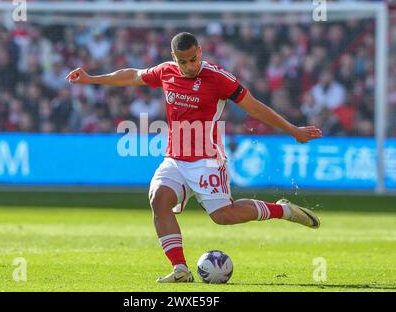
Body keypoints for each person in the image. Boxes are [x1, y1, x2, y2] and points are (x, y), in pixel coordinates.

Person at [66, 32, 322, 283]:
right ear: (173, 57)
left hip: (207, 159)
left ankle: (284, 210)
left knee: (223, 216)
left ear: (200, 51)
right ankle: (180, 269)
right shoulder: (166, 71)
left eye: (193, 59)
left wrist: (293, 130)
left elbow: (253, 107)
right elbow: (133, 75)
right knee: (158, 198)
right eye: (183, 61)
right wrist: (90, 79)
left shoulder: (219, 78)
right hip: (175, 158)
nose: (189, 66)